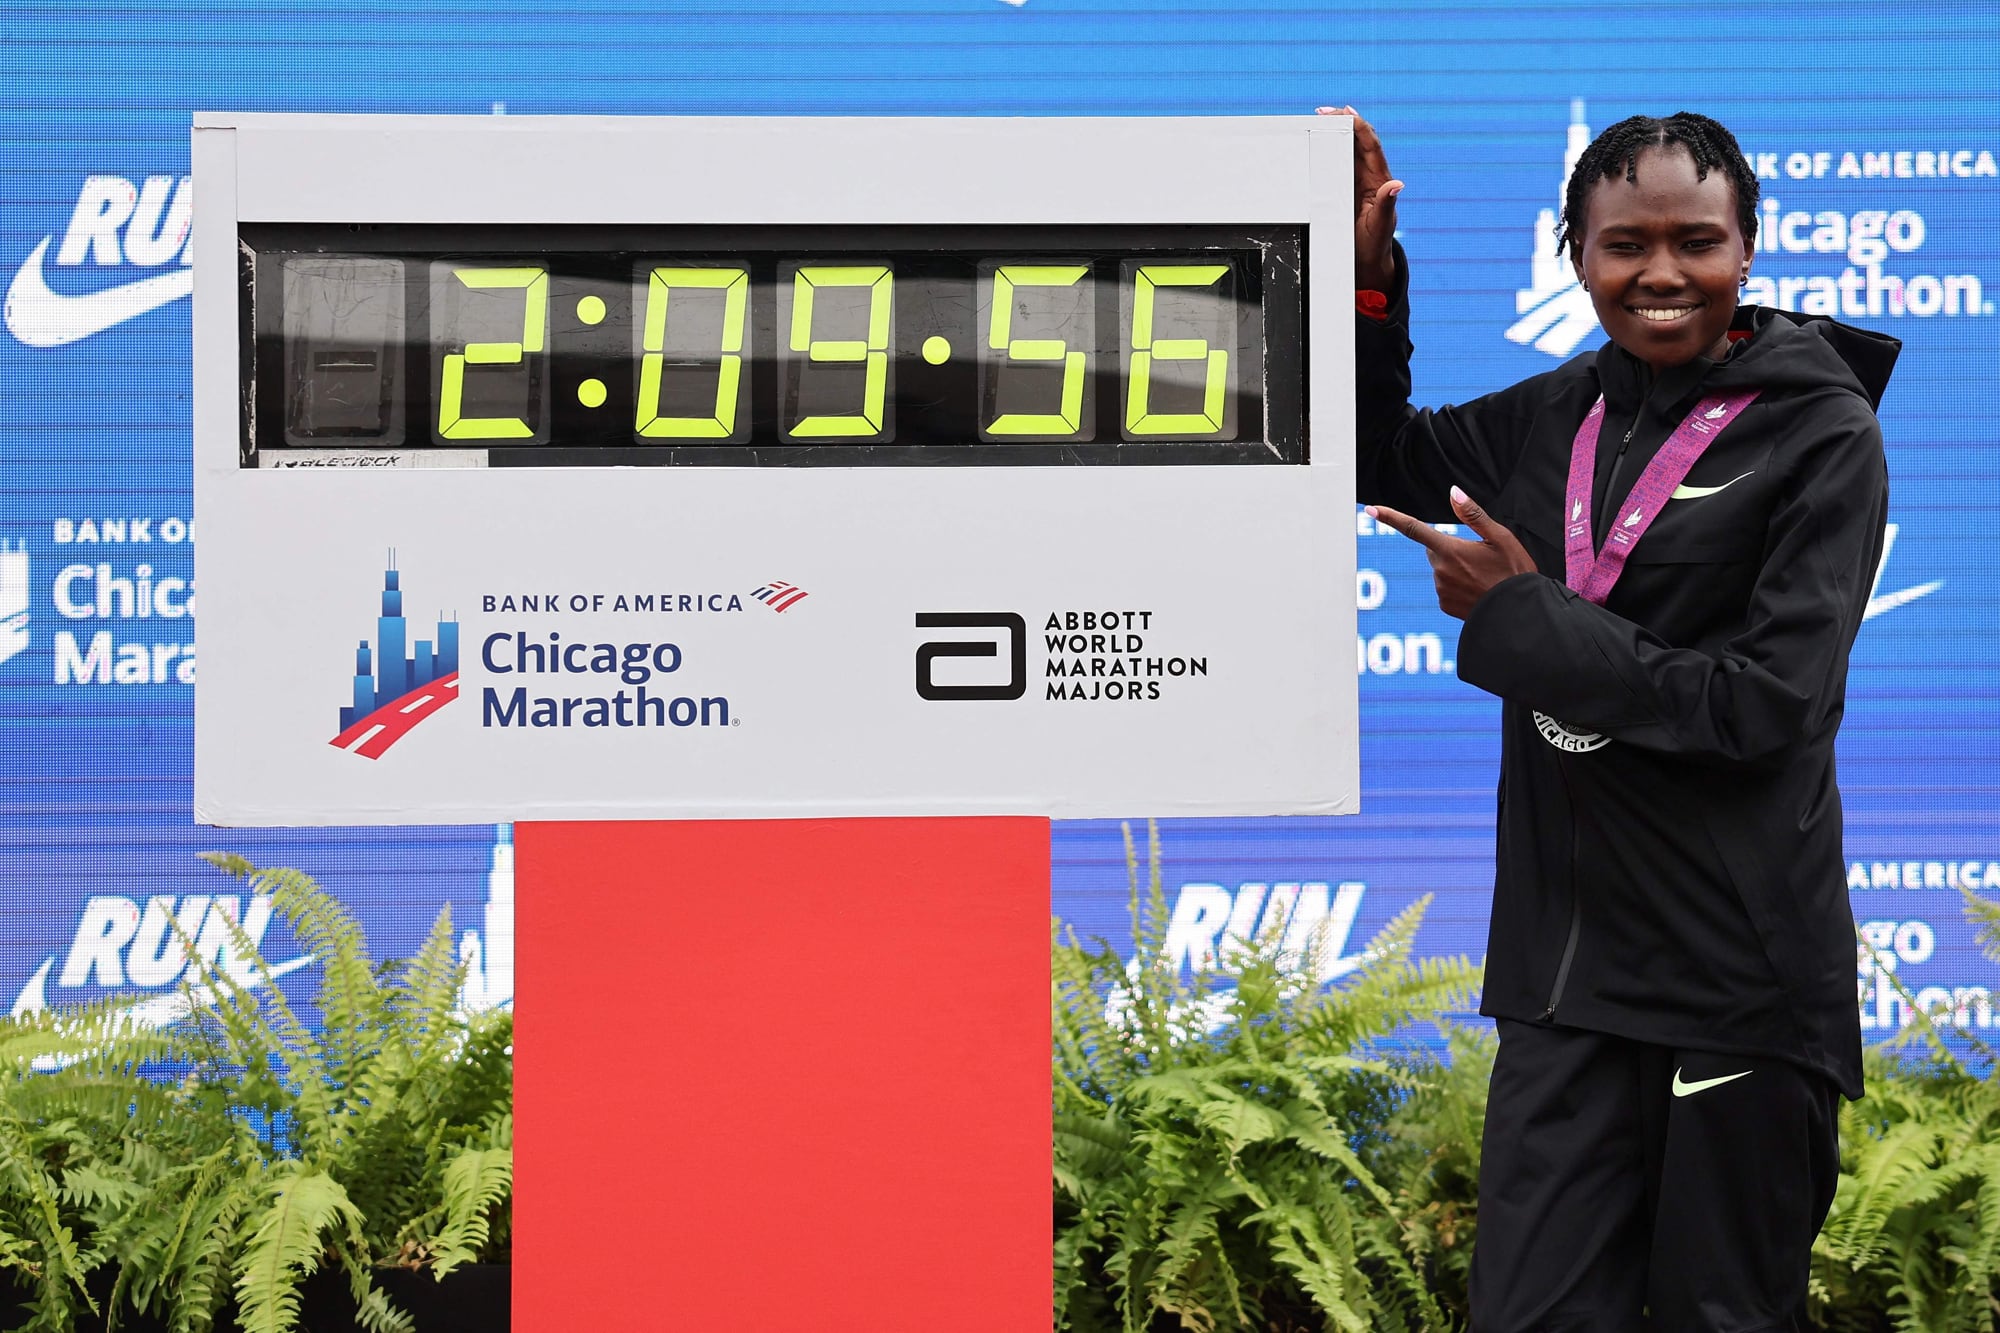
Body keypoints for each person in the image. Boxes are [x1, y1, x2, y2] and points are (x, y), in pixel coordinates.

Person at [1328, 106, 1899, 1332]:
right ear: (1572, 254)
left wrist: (1525, 620)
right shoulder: (1557, 415)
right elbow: (1375, 460)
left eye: (1693, 241)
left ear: (1745, 249)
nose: (1658, 273)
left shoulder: (1821, 432)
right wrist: (1368, 289)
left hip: (1736, 980)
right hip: (1566, 982)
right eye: (1622, 244)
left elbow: (1766, 705)